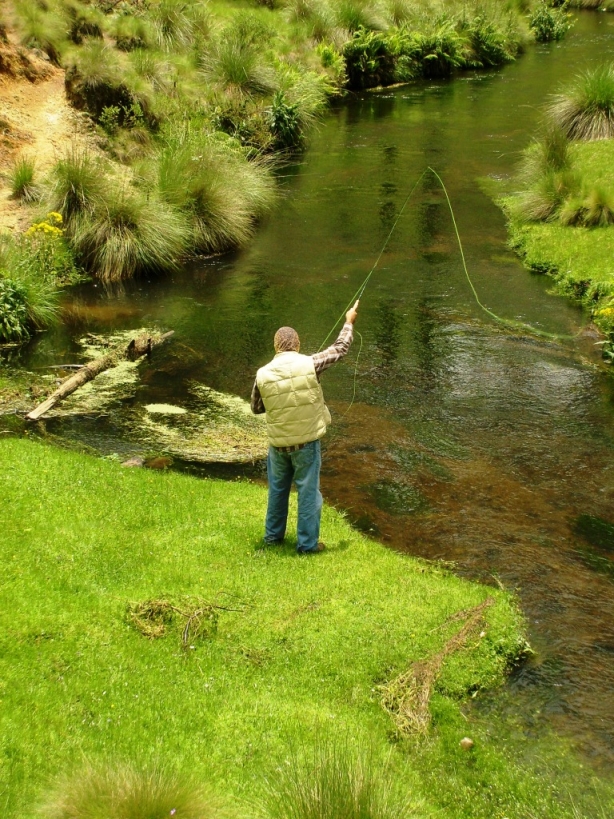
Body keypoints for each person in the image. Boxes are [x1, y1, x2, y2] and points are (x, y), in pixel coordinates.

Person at [251, 301, 360, 553]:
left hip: (277, 446)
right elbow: (340, 349)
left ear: (276, 346)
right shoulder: (310, 363)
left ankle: (272, 539)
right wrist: (348, 322)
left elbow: (257, 408)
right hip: (306, 445)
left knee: (277, 492)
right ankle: (307, 546)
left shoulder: (262, 374)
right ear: (297, 345)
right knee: (308, 493)